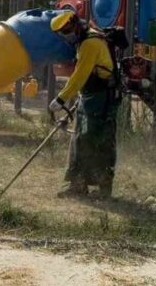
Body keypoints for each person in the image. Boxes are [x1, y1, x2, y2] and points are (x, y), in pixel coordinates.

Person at [48, 10, 118, 198]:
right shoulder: (84, 40)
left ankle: (103, 188)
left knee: (98, 141)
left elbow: (80, 74)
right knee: (80, 139)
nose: (65, 35)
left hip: (101, 97)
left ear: (74, 24)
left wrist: (61, 98)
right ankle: (78, 185)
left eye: (66, 30)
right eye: (62, 33)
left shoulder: (90, 43)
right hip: (90, 95)